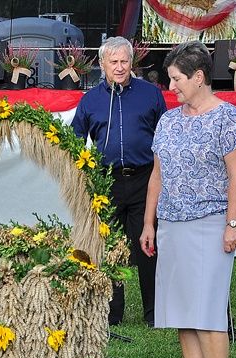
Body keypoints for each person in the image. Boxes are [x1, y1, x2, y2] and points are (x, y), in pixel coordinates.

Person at [139, 41, 236, 358]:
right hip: (170, 223)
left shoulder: (228, 119)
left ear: (199, 77)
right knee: (182, 311)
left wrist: (232, 224)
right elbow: (158, 174)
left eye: (176, 79)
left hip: (210, 223)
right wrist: (149, 223)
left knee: (207, 308)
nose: (171, 87)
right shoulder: (169, 120)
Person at [71, 36, 167, 327]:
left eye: (124, 61)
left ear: (132, 62)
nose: (120, 67)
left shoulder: (150, 94)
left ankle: (154, 314)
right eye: (113, 61)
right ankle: (113, 314)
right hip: (107, 183)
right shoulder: (90, 100)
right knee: (111, 248)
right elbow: (75, 140)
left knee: (147, 246)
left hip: (144, 180)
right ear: (102, 65)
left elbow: (165, 136)